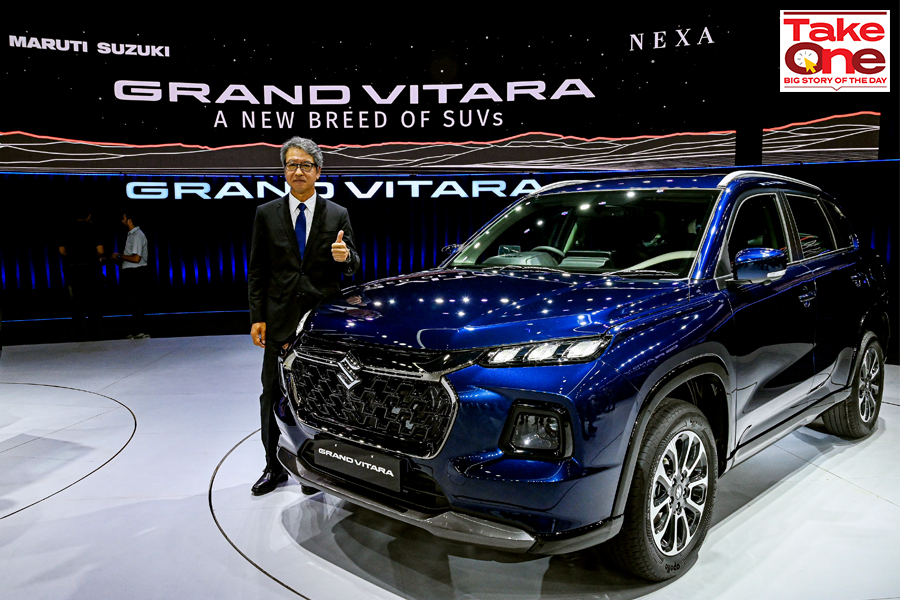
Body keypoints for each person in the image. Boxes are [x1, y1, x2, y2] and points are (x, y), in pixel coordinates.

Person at [248, 137, 360, 496]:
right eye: (292, 164)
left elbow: (354, 266)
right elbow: (258, 271)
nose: (298, 171)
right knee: (273, 395)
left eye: (306, 165)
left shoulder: (337, 214)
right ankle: (272, 466)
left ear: (318, 172)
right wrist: (257, 317)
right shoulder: (265, 214)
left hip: (320, 325)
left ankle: (318, 467)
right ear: (284, 171)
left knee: (325, 397)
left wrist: (346, 258)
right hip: (279, 321)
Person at [59, 206, 105, 340]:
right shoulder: (93, 229)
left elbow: (62, 250)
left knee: (77, 302)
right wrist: (90, 255)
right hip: (91, 269)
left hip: (74, 269)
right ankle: (95, 332)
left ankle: (79, 332)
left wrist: (73, 255)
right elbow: (101, 250)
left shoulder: (67, 229)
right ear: (89, 216)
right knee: (93, 302)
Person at [111, 212, 150, 339]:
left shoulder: (137, 235)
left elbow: (136, 258)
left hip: (136, 272)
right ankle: (136, 330)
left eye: (123, 218)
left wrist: (119, 256)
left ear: (129, 220)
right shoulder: (132, 235)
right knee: (133, 302)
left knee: (136, 302)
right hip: (131, 272)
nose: (122, 220)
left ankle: (140, 330)